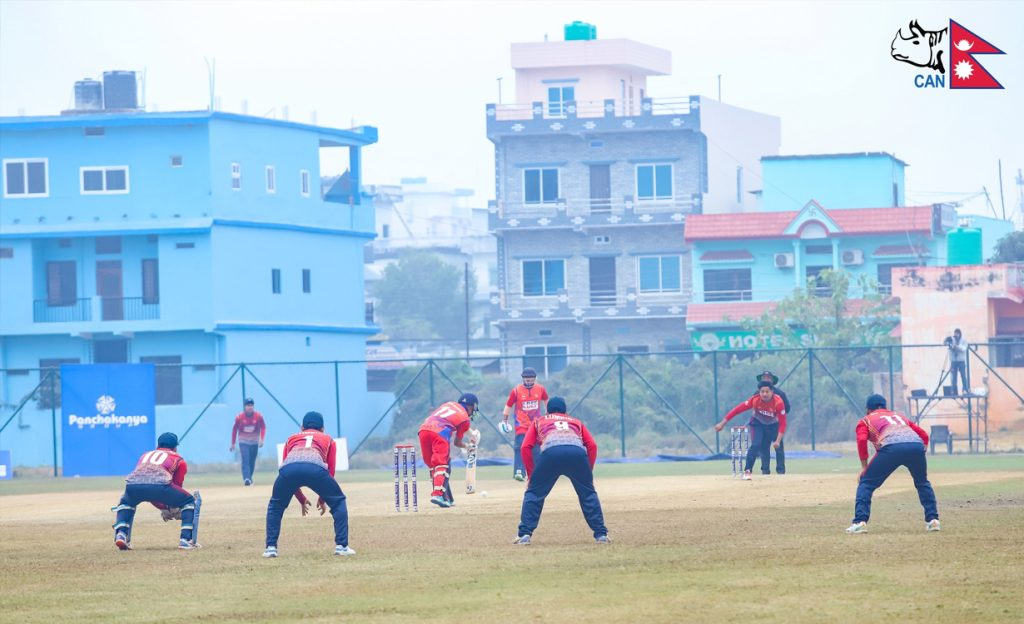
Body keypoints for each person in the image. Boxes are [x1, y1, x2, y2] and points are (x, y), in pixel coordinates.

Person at [513, 396, 609, 545]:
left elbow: (525, 447)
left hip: (551, 453)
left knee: (534, 493)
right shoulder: (576, 422)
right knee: (588, 494)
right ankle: (601, 535)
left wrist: (531, 475)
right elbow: (592, 445)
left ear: (547, 410)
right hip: (577, 453)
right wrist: (587, 472)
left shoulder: (539, 421)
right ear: (565, 410)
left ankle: (524, 534)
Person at [262, 411, 353, 558]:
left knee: (276, 506)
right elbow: (330, 471)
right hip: (315, 468)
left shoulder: (291, 438)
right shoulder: (328, 439)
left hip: (288, 469)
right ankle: (342, 546)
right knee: (338, 502)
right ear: (323, 429)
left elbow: (288, 468)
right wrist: (323, 498)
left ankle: (271, 548)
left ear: (302, 427)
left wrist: (301, 498)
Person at [846, 394, 940, 534]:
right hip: (915, 446)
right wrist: (921, 450)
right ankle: (933, 521)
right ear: (885, 406)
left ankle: (860, 521)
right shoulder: (900, 418)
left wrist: (864, 467)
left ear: (868, 409)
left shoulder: (865, 420)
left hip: (891, 448)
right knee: (922, 482)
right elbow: (924, 435)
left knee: (866, 483)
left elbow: (861, 441)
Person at [111, 432, 199, 551]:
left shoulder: (145, 455)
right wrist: (168, 508)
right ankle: (185, 540)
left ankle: (121, 534)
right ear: (175, 447)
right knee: (188, 501)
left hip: (132, 485)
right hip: (160, 486)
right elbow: (175, 487)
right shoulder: (179, 460)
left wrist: (162, 507)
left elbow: (146, 488)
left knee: (126, 503)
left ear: (158, 445)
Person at [714, 381, 786, 480]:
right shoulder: (755, 400)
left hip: (773, 425)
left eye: (767, 392)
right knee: (756, 445)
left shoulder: (778, 403)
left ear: (772, 392)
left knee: (779, 447)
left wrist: (777, 441)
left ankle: (781, 473)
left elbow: (782, 423)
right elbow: (737, 410)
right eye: (762, 391)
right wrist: (722, 423)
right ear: (759, 392)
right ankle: (748, 471)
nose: (764, 394)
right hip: (758, 423)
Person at [418, 393, 480, 508]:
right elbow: (457, 443)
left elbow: (452, 420)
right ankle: (437, 495)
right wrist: (468, 446)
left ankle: (447, 498)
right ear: (471, 406)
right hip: (440, 433)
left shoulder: (449, 404)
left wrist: (471, 434)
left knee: (434, 466)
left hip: (423, 430)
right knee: (442, 465)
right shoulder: (465, 420)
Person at [501, 367, 548, 482]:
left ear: (535, 379)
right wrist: (505, 420)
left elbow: (546, 400)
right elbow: (508, 405)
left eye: (531, 379)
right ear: (523, 379)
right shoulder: (516, 391)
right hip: (521, 425)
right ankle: (519, 472)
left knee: (536, 449)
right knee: (520, 448)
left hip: (536, 426)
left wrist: (548, 413)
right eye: (526, 379)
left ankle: (537, 473)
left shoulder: (540, 389)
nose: (529, 381)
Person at [755, 370, 790, 475]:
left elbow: (787, 408)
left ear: (772, 380)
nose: (766, 379)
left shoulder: (780, 394)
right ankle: (765, 470)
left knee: (778, 448)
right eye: (764, 377)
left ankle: (781, 471)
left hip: (776, 425)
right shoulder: (757, 394)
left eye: (768, 377)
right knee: (764, 449)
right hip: (762, 426)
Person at [230, 398, 266, 486]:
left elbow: (263, 427)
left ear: (253, 406)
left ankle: (249, 478)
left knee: (252, 461)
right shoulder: (239, 417)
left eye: (251, 405)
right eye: (247, 405)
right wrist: (233, 443)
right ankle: (246, 478)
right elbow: (234, 429)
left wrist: (262, 439)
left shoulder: (258, 416)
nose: (249, 407)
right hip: (243, 442)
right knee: (245, 459)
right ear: (244, 407)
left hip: (254, 442)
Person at [948, 328, 970, 395]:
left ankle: (966, 390)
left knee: (963, 376)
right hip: (954, 361)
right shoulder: (952, 340)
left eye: (957, 333)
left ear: (960, 334)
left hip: (961, 361)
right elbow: (947, 346)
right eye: (955, 333)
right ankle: (954, 391)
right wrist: (951, 344)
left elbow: (964, 349)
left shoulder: (964, 341)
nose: (956, 335)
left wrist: (957, 346)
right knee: (954, 377)